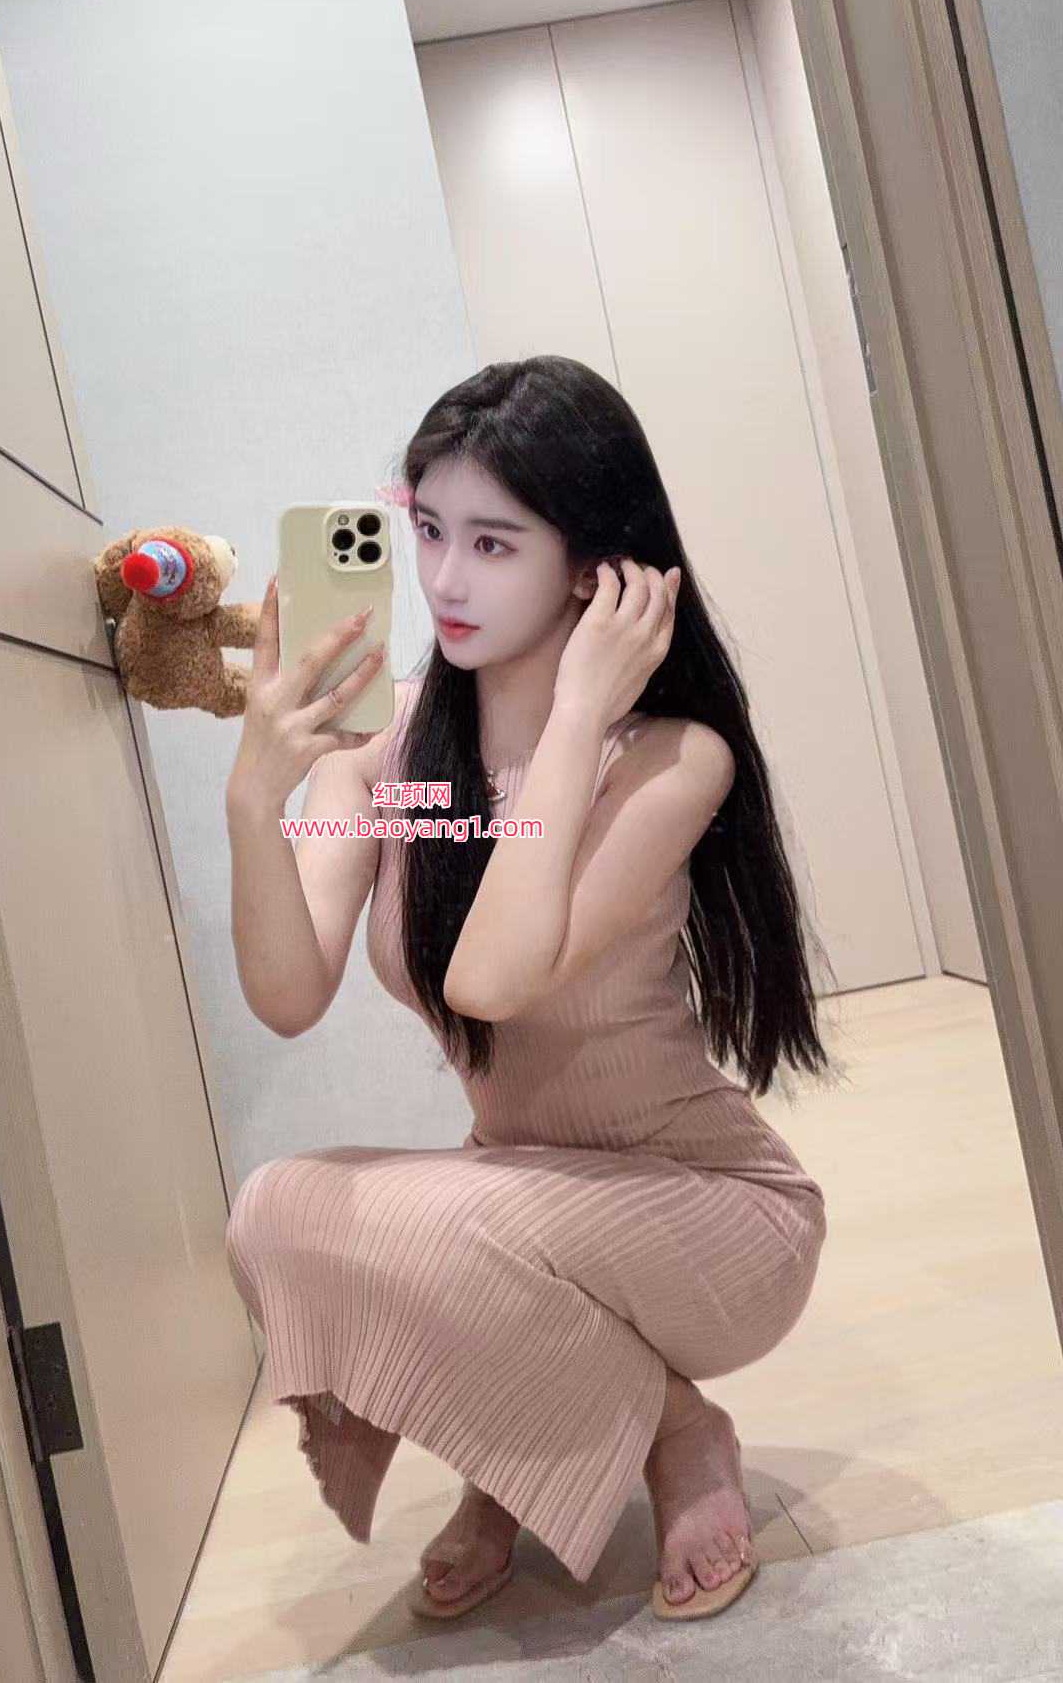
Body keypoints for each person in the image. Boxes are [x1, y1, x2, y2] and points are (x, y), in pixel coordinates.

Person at [224, 355, 837, 1624]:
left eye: (493, 543)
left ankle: (669, 1435)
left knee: (431, 1234)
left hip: (703, 1212)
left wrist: (570, 718)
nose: (445, 581)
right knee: (277, 1210)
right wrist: (252, 797)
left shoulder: (665, 759)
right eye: (427, 530)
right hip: (516, 1203)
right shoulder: (390, 765)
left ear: (589, 566)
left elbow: (491, 977)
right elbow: (288, 993)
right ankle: (592, 1431)